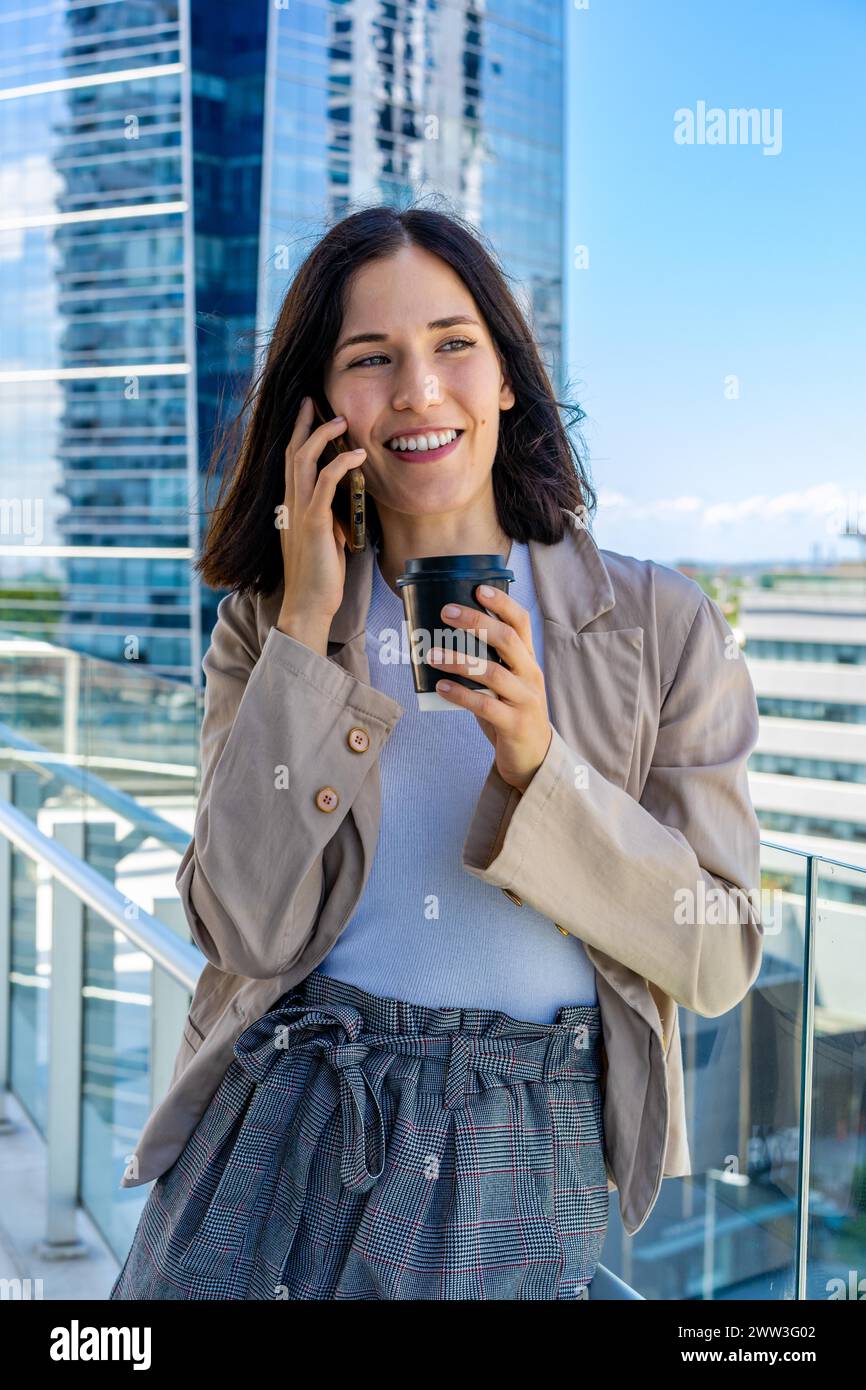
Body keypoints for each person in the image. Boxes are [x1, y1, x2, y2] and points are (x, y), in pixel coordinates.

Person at [110, 202, 763, 1301]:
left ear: (506, 375)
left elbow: (718, 954)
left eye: (453, 344)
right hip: (281, 1115)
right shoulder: (267, 623)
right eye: (371, 358)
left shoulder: (658, 625)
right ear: (321, 404)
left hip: (523, 1147)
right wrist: (307, 630)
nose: (417, 389)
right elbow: (237, 921)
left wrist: (538, 770)